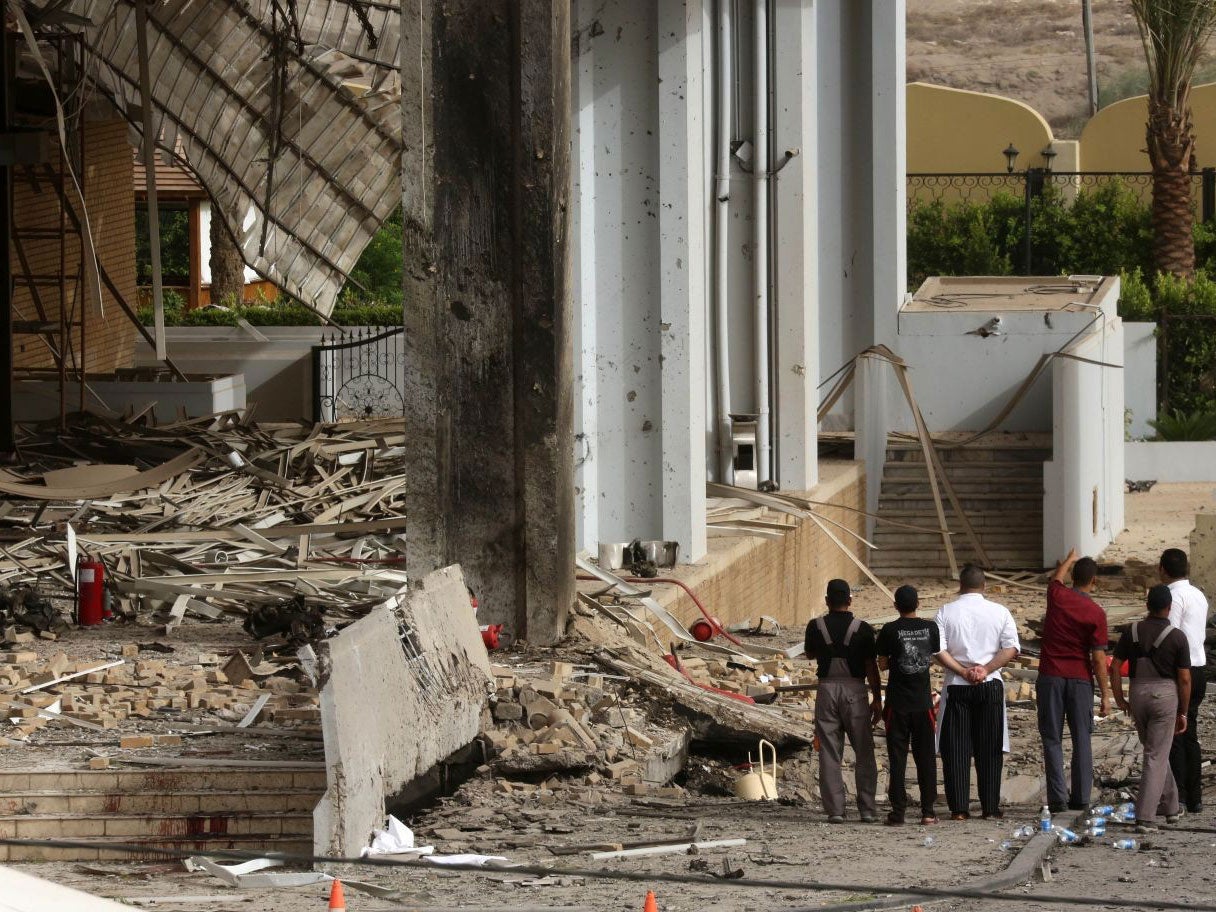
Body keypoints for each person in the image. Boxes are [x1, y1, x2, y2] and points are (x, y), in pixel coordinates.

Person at [934, 565, 1021, 820]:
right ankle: (990, 807)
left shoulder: (945, 612)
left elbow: (938, 649)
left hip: (957, 686)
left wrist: (962, 671)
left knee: (956, 748)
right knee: (990, 747)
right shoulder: (999, 612)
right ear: (984, 586)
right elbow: (1011, 648)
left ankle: (959, 808)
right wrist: (985, 669)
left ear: (960, 585)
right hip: (990, 684)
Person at [1036, 548, 1112, 813]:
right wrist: (1105, 694)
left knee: (1052, 738)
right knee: (1082, 737)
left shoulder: (1057, 596)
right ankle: (1081, 798)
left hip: (1051, 677)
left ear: (1073, 577)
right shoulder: (1096, 613)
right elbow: (1099, 659)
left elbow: (1056, 578)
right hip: (1080, 680)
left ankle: (1057, 798)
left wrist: (1068, 559)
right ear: (1094, 581)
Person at [1111, 584, 1192, 831]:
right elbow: (1185, 678)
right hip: (1165, 696)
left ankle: (1171, 807)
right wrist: (1183, 712)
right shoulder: (1177, 636)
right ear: (1169, 608)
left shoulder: (1131, 631)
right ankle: (1145, 817)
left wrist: (1120, 698)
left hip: (1138, 694)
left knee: (1156, 751)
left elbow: (1114, 666)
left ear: (1147, 605)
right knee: (1155, 755)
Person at [805, 578, 882, 823]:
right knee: (864, 750)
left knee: (829, 751)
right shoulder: (863, 628)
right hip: (855, 691)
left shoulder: (815, 626)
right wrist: (877, 699)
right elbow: (871, 667)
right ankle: (867, 808)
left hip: (826, 690)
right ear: (850, 600)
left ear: (827, 601)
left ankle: (836, 810)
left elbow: (809, 653)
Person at [876, 585, 940, 826]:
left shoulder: (889, 630)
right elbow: (931, 656)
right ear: (918, 604)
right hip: (923, 703)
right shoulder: (930, 628)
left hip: (897, 704)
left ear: (895, 606)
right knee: (926, 758)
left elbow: (882, 663)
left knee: (897, 759)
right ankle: (928, 812)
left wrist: (894, 661)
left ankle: (898, 812)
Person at [1159, 548, 1210, 814]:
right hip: (1199, 668)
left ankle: (1177, 796)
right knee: (1190, 733)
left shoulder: (1173, 596)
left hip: (1182, 671)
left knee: (1177, 734)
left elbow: (1171, 637)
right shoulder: (1199, 595)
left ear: (1162, 570)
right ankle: (1195, 797)